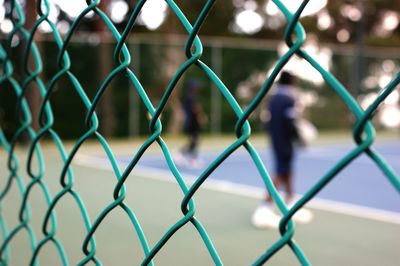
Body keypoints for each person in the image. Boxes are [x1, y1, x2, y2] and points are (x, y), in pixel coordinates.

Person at [252, 71, 312, 228]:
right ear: (292, 82)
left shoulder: (273, 98)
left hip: (276, 139)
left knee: (287, 170)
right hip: (285, 140)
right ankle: (264, 207)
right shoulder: (289, 98)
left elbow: (268, 121)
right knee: (280, 171)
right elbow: (290, 121)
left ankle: (290, 202)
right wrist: (300, 139)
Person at [178, 79, 205, 167]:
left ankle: (191, 156)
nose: (197, 89)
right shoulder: (190, 97)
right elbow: (195, 109)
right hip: (192, 122)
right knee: (194, 140)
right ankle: (188, 156)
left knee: (195, 140)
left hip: (193, 122)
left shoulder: (191, 97)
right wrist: (201, 117)